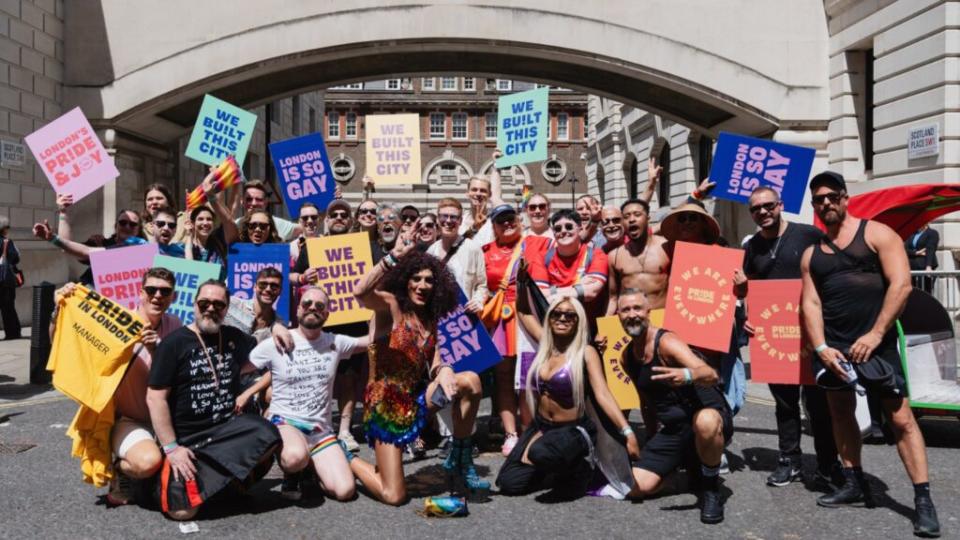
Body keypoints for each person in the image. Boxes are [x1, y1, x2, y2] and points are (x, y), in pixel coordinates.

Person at [800, 171, 941, 537]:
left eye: (832, 196)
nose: (826, 203)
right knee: (840, 412)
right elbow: (810, 303)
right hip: (834, 349)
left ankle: (922, 499)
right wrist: (820, 348)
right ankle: (853, 481)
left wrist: (876, 333)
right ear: (814, 206)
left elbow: (902, 284)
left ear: (845, 198)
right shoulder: (812, 253)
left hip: (876, 345)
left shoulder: (877, 234)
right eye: (819, 200)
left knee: (901, 419)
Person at [350, 235, 488, 505]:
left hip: (416, 402)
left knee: (470, 380)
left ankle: (459, 458)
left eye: (429, 280)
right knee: (394, 495)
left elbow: (436, 363)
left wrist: (445, 369)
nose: (422, 285)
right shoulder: (391, 307)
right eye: (416, 279)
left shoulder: (431, 319)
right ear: (405, 281)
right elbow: (361, 293)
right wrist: (391, 258)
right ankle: (349, 460)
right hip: (385, 409)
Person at [147, 280, 280, 520]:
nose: (211, 308)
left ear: (227, 309)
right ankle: (158, 481)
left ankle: (226, 486)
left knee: (268, 434)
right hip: (188, 440)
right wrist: (172, 448)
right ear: (194, 305)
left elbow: (266, 351)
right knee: (182, 512)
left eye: (218, 304)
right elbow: (155, 399)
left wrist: (279, 328)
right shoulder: (173, 343)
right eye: (204, 303)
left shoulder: (233, 337)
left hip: (225, 432)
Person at [52, 268, 183, 505]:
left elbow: (181, 374)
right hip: (131, 420)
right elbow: (64, 340)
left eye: (165, 291)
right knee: (147, 463)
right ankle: (122, 470)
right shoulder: (116, 323)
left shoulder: (175, 325)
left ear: (173, 296)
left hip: (169, 420)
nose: (157, 296)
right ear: (140, 292)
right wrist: (60, 309)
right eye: (151, 290)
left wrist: (158, 349)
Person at [738, 187, 840, 488]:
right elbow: (745, 291)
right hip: (776, 337)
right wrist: (747, 316)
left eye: (768, 205)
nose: (763, 212)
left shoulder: (808, 235)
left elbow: (830, 274)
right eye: (756, 209)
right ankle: (790, 461)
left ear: (780, 205)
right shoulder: (752, 247)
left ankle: (826, 464)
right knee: (785, 405)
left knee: (819, 404)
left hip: (812, 333)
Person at [498, 295, 637, 500]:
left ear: (578, 321)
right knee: (509, 483)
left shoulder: (586, 353)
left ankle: (579, 467)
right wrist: (521, 283)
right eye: (557, 313)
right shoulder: (545, 345)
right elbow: (525, 313)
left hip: (574, 430)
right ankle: (552, 468)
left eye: (570, 315)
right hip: (542, 427)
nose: (562, 318)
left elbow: (603, 394)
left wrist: (627, 431)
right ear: (549, 317)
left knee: (541, 453)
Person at [240, 287, 370, 502]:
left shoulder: (334, 342)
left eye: (320, 306)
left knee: (345, 491)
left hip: (321, 431)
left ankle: (310, 467)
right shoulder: (276, 342)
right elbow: (239, 366)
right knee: (293, 458)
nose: (313, 308)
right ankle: (294, 469)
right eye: (307, 304)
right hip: (286, 422)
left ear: (327, 314)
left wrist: (384, 310)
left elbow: (370, 340)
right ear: (298, 309)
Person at [615, 291, 732, 524]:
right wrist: (650, 438)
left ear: (649, 313)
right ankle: (686, 470)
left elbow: (711, 375)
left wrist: (687, 375)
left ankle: (710, 489)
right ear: (618, 316)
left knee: (705, 421)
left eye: (637, 308)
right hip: (675, 429)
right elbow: (646, 403)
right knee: (634, 488)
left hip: (707, 418)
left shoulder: (666, 343)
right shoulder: (627, 356)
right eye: (625, 310)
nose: (632, 315)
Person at [291, 198, 371, 453]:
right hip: (320, 323)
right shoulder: (313, 247)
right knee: (318, 376)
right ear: (327, 220)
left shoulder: (364, 246)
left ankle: (345, 429)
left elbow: (380, 272)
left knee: (348, 379)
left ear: (350, 221)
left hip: (353, 323)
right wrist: (303, 276)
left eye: (343, 214)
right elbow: (290, 276)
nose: (338, 217)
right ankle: (318, 425)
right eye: (334, 213)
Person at [481, 204, 551, 455]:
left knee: (528, 377)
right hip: (500, 318)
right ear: (494, 227)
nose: (507, 224)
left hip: (528, 316)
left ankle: (529, 428)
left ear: (519, 220)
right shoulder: (485, 251)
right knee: (503, 377)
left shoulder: (538, 244)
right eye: (501, 221)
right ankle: (510, 434)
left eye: (511, 219)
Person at [426, 198, 490, 455]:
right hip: (438, 323)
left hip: (465, 324)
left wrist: (478, 301)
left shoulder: (473, 248)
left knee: (467, 380)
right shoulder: (430, 251)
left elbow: (483, 284)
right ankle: (448, 435)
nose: (449, 221)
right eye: (444, 216)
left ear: (461, 219)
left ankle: (467, 435)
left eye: (454, 216)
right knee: (443, 376)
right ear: (438, 218)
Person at [36, 194, 146, 285]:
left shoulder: (145, 250)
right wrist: (63, 212)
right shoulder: (101, 243)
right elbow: (68, 247)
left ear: (138, 229)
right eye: (123, 223)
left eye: (132, 224)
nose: (127, 227)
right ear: (116, 226)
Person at [528, 209, 608, 333]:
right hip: (555, 327)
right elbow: (539, 295)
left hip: (588, 328)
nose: (563, 231)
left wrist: (552, 292)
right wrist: (578, 286)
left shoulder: (597, 255)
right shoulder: (542, 257)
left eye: (569, 227)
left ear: (580, 228)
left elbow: (592, 292)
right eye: (558, 229)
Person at [606, 199, 669, 312]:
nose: (631, 219)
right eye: (626, 216)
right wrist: (605, 328)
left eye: (637, 214)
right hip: (631, 322)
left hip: (662, 320)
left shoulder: (667, 247)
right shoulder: (614, 256)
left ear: (648, 218)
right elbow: (613, 298)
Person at [225, 267, 284, 343]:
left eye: (274, 286)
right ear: (254, 287)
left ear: (280, 291)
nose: (268, 289)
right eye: (263, 284)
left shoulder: (278, 324)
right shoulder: (232, 304)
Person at [460, 150, 504, 245]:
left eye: (483, 190)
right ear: (467, 193)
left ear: (489, 194)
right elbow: (456, 245)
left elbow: (497, 196)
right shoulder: (460, 220)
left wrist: (497, 165)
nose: (478, 193)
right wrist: (474, 228)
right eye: (474, 189)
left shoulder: (494, 221)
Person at [235, 180, 302, 242]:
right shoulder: (235, 225)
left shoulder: (278, 224)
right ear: (242, 201)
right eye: (249, 199)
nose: (254, 203)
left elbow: (305, 229)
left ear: (266, 202)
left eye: (258, 199)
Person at [0, 217, 21, 340]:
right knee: (8, 307)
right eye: (7, 227)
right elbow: (15, 258)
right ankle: (13, 332)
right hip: (5, 280)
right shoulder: (6, 242)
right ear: (3, 229)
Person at [905, 224, 939, 293]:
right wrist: (916, 253)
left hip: (924, 266)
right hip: (911, 267)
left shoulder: (932, 233)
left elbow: (930, 249)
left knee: (924, 292)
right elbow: (905, 249)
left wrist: (928, 266)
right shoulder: (912, 234)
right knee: (912, 291)